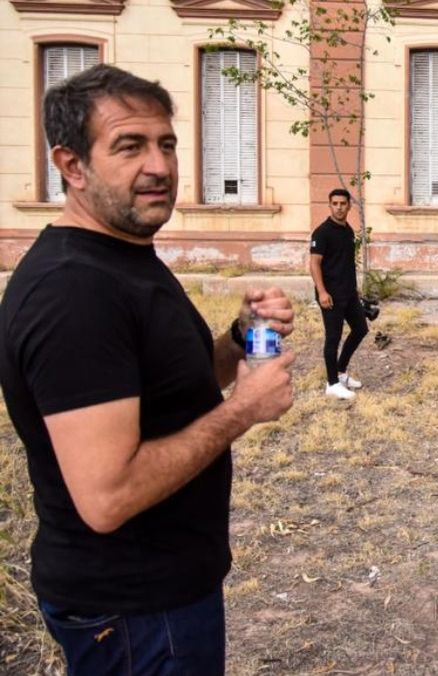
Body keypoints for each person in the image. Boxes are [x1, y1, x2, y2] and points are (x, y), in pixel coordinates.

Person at [0, 64, 295, 673]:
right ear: (72, 165)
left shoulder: (121, 257)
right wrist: (243, 410)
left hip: (159, 592)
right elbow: (108, 496)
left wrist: (239, 341)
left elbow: (163, 386)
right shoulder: (73, 293)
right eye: (129, 146)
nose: (159, 166)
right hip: (133, 611)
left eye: (167, 144)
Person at [310, 188, 368, 400]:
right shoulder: (322, 232)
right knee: (333, 338)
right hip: (330, 295)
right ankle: (332, 384)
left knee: (361, 329)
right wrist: (322, 292)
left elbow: (346, 262)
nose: (339, 207)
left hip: (348, 292)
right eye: (335, 203)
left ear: (349, 206)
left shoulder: (348, 231)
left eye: (343, 203)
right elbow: (314, 264)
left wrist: (355, 288)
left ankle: (341, 372)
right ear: (330, 205)